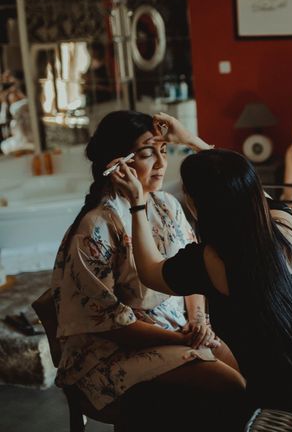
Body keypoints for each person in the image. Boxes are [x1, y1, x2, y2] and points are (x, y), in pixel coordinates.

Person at [112, 114, 292, 422]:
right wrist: (192, 141)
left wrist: (137, 204)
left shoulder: (210, 261)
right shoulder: (285, 223)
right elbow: (245, 190)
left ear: (196, 206)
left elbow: (150, 271)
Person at [51, 110, 246, 428]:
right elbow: (110, 323)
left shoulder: (167, 206)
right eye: (146, 153)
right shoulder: (96, 228)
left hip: (171, 327)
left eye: (164, 150)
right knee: (230, 386)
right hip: (110, 349)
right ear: (118, 164)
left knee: (237, 370)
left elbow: (191, 270)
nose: (161, 162)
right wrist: (180, 340)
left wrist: (197, 321)